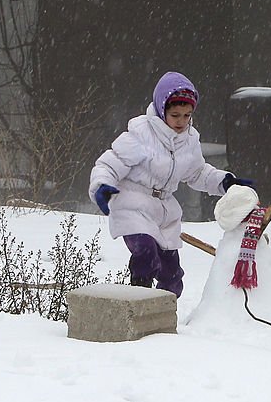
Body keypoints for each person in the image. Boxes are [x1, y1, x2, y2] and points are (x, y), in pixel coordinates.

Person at [89, 71, 252, 296]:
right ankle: (139, 297)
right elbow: (109, 164)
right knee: (145, 253)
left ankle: (165, 315)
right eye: (175, 115)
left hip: (164, 210)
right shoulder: (140, 135)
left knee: (172, 275)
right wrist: (101, 186)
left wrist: (224, 182)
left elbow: (197, 173)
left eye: (187, 115)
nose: (181, 121)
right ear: (161, 109)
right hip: (132, 204)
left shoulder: (189, 140)